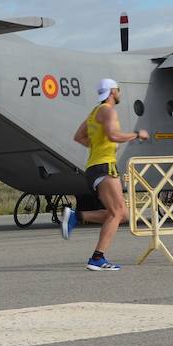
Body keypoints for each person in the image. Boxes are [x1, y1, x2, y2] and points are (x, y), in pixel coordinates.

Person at [61, 78, 146, 271]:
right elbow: (113, 136)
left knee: (122, 214)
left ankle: (77, 216)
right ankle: (97, 258)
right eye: (118, 90)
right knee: (117, 213)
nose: (120, 93)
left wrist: (98, 146)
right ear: (111, 92)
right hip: (104, 166)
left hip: (96, 167)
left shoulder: (94, 113)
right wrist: (136, 135)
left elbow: (79, 136)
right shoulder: (108, 111)